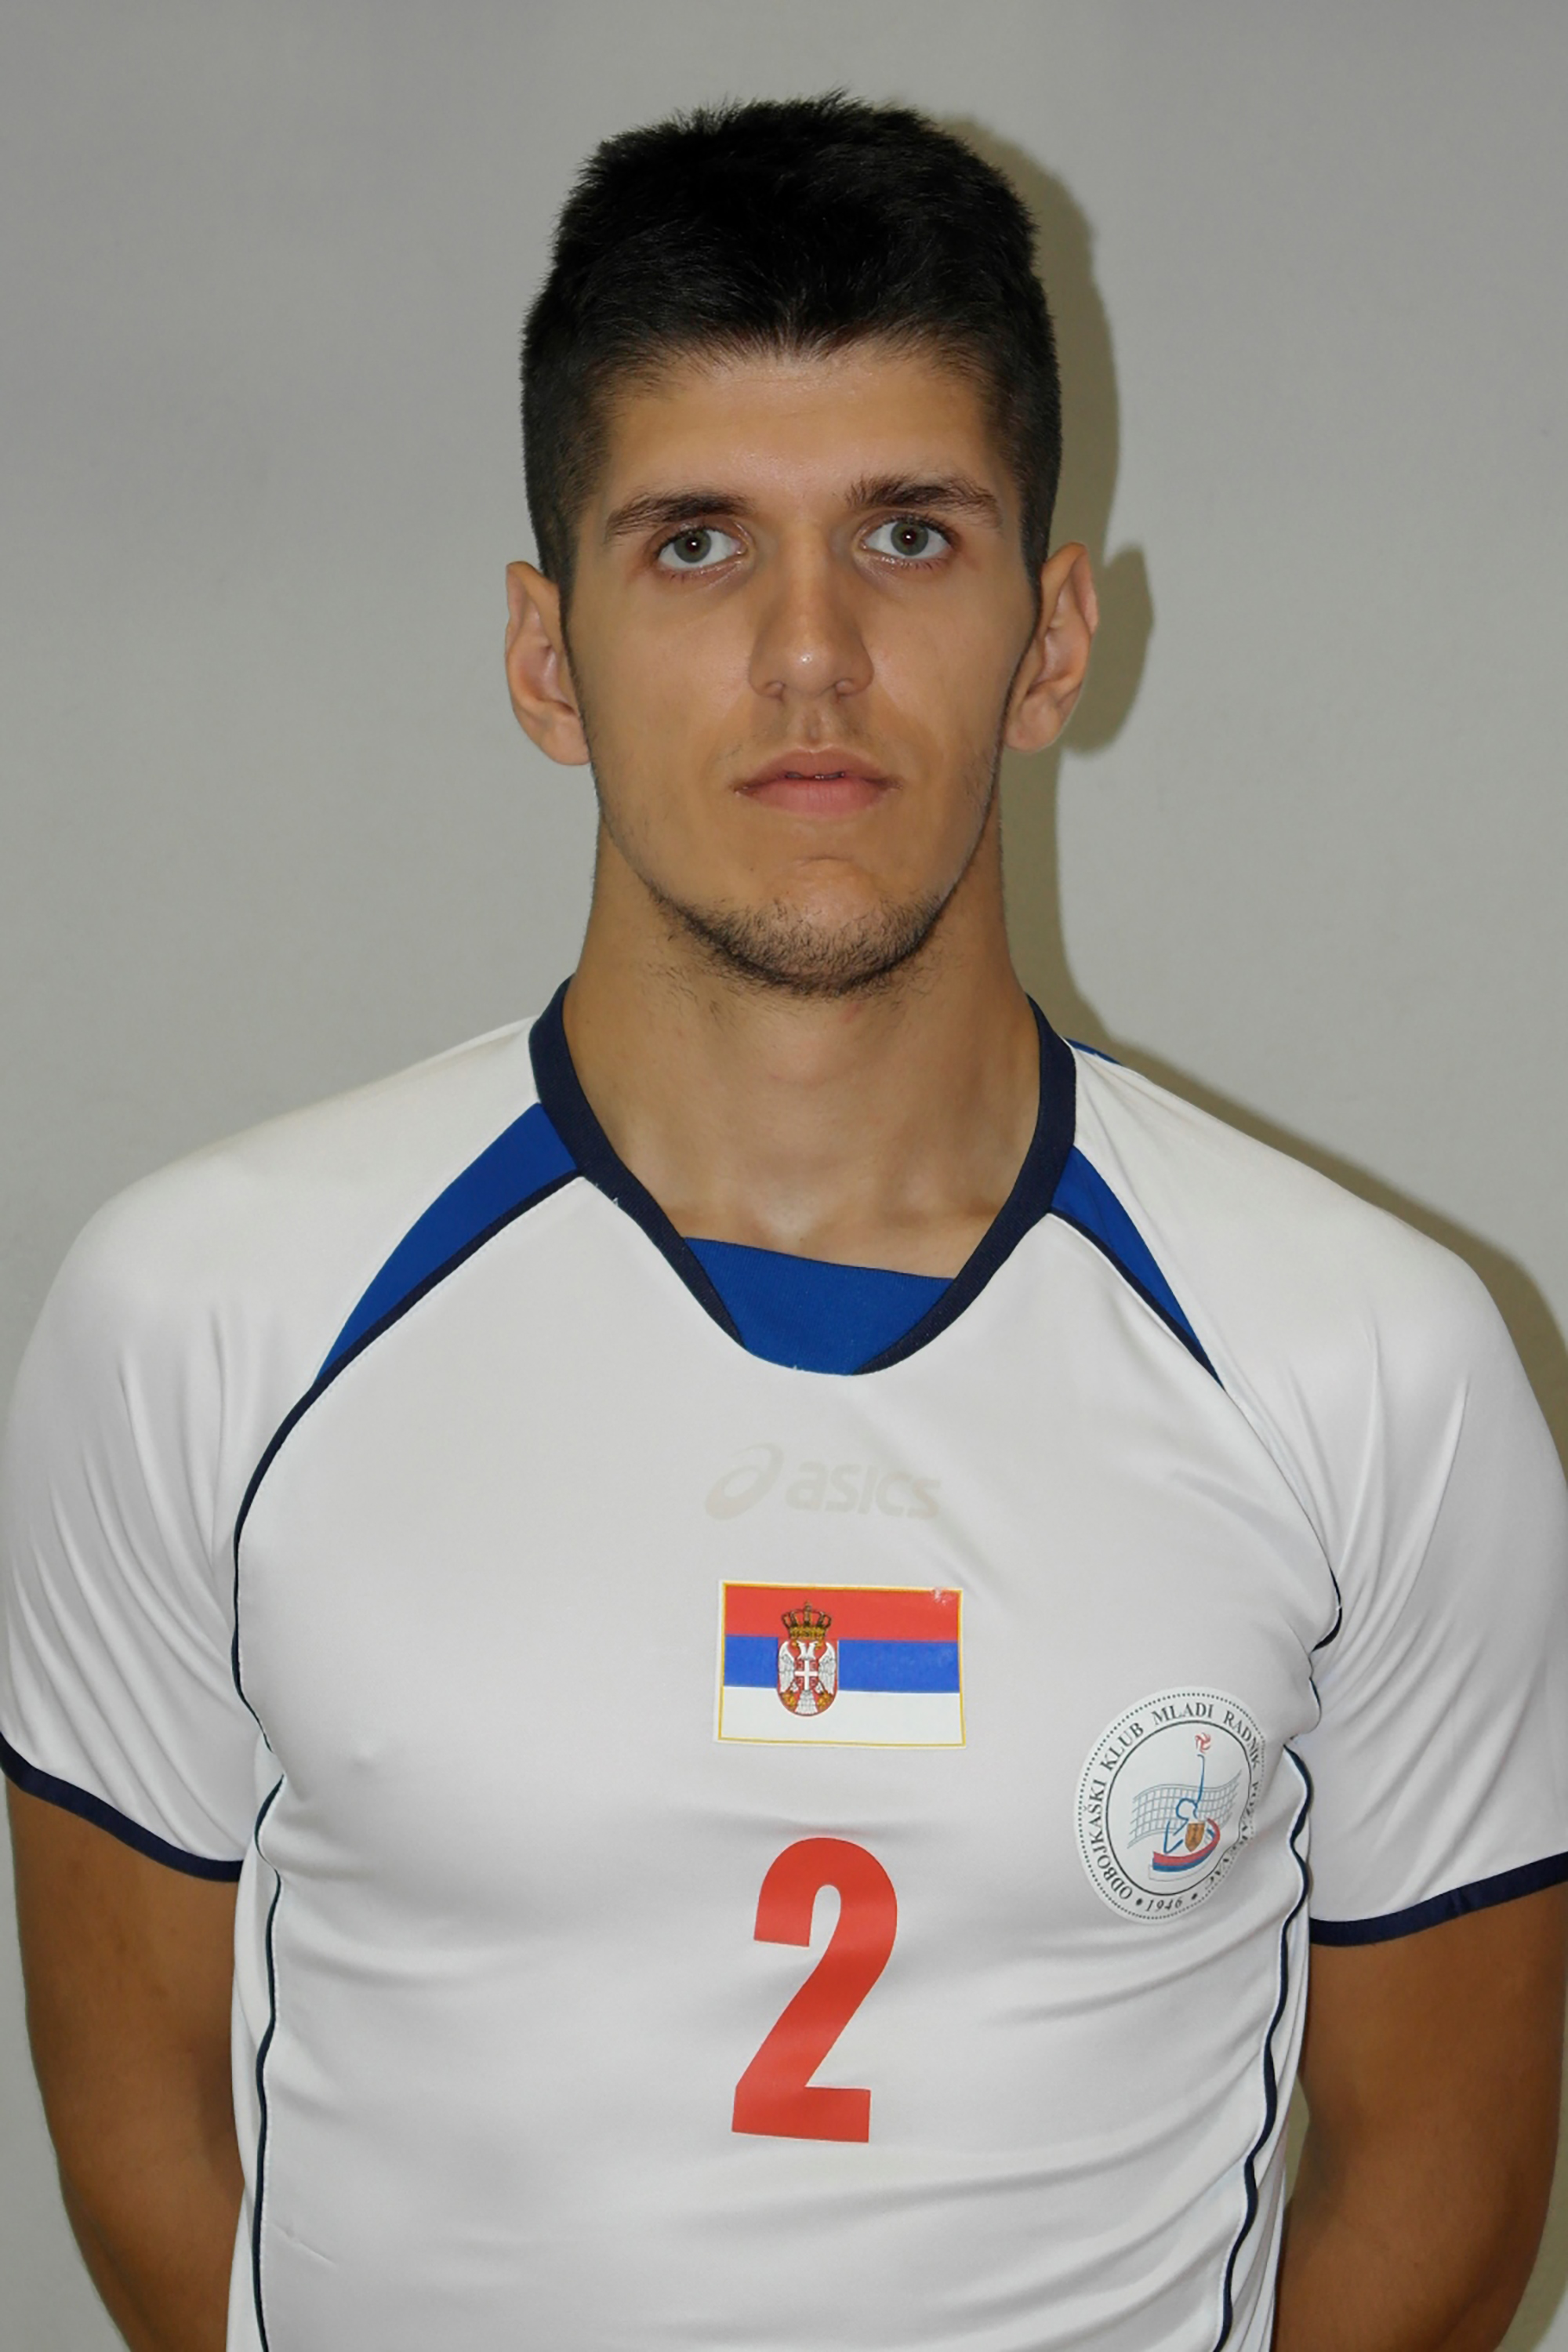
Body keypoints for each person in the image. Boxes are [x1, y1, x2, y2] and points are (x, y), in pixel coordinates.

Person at [3, 92, 1566, 2352]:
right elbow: (144, 2126)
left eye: (909, 537)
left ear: (1054, 637)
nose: (811, 653)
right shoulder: (201, 1322)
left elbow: (1444, 2176)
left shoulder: (1375, 1373)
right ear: (548, 656)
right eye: (697, 545)